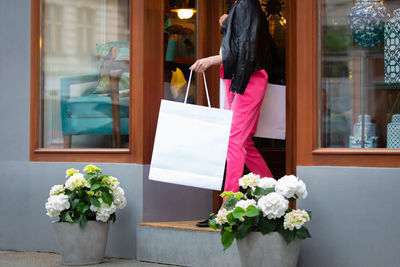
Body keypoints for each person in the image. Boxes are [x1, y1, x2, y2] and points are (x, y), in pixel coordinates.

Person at [190, 0, 280, 197]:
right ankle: (274, 193)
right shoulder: (243, 5)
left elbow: (246, 47)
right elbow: (244, 41)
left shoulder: (245, 4)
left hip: (247, 79)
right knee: (243, 141)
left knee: (234, 141)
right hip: (243, 78)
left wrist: (212, 59)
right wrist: (228, 23)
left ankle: (228, 205)